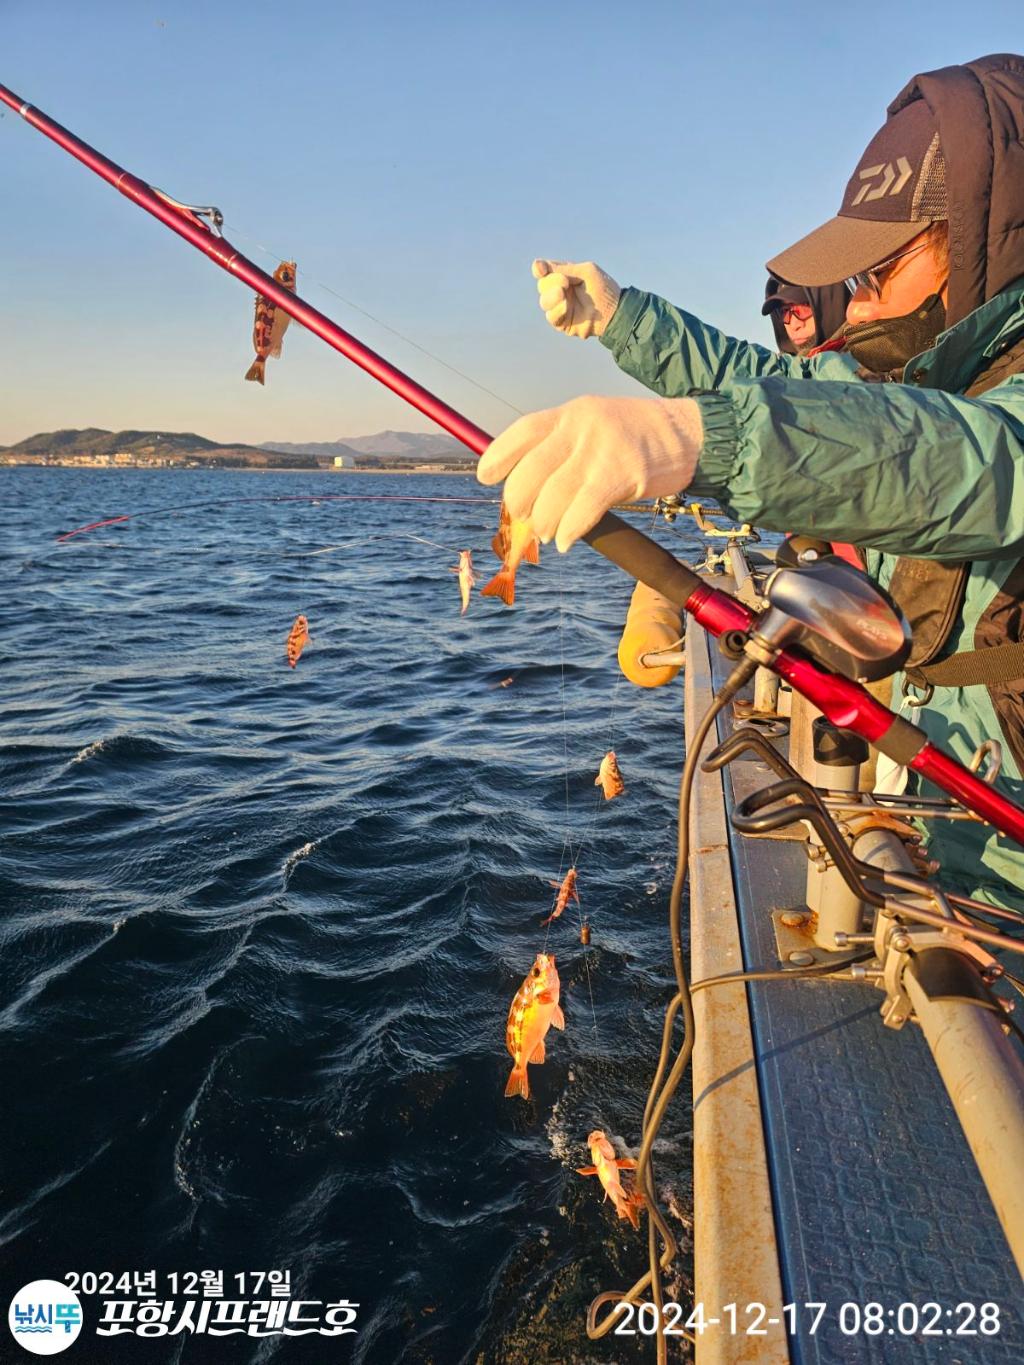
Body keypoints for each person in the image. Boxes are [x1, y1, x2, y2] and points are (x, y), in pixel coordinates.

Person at [477, 54, 1024, 909]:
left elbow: (975, 462)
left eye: (878, 273)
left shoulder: (980, 406)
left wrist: (709, 441)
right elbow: (784, 389)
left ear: (992, 237)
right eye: (855, 280)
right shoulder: (942, 370)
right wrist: (628, 320)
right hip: (955, 837)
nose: (864, 305)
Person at [761, 276, 848, 355]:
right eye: (785, 311)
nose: (795, 325)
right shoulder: (782, 370)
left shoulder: (859, 357)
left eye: (804, 307)